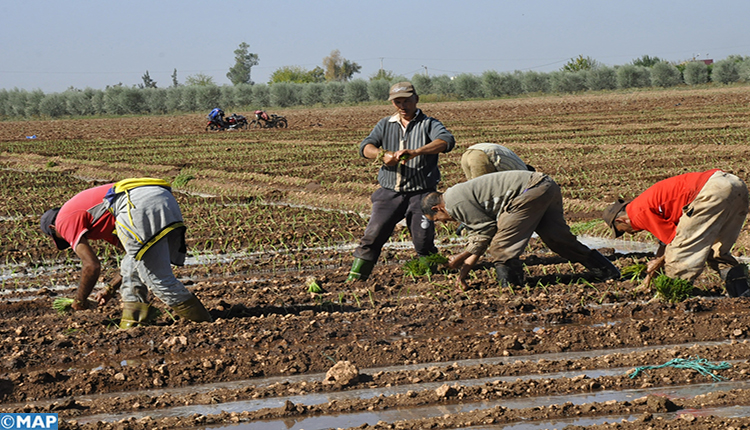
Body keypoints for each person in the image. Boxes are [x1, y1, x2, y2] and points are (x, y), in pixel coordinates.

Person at [40, 178, 212, 328]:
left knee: (157, 278)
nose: (69, 241)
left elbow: (91, 266)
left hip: (135, 202)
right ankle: (134, 321)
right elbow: (132, 257)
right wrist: (110, 289)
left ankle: (204, 324)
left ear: (53, 228)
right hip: (159, 196)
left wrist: (79, 301)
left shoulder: (63, 220)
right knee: (132, 264)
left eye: (62, 238)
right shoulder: (100, 219)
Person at [421, 171, 620, 289]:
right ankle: (607, 271)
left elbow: (485, 232)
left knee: (501, 246)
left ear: (437, 208)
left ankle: (511, 287)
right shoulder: (456, 197)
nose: (445, 222)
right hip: (545, 185)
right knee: (557, 239)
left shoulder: (454, 202)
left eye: (439, 219)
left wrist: (458, 259)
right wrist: (462, 273)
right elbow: (479, 240)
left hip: (529, 191)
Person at [346, 82, 456, 282]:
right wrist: (381, 155)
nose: (402, 106)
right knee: (372, 236)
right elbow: (365, 147)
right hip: (390, 193)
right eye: (398, 102)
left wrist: (416, 152)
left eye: (407, 101)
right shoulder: (385, 124)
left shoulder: (429, 124)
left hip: (422, 194)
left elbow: (446, 141)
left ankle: (429, 278)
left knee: (423, 241)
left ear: (416, 100)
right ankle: (355, 279)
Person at [602, 169, 749, 296]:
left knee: (679, 256)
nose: (631, 234)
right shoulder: (644, 205)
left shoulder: (637, 214)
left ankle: (676, 299)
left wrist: (658, 262)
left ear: (622, 221)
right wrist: (649, 279)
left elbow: (675, 243)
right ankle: (741, 294)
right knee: (717, 251)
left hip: (711, 191)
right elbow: (665, 243)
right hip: (734, 184)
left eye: (623, 231)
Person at [461, 142, 534, 180]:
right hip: (482, 155)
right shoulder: (523, 173)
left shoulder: (518, 164)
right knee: (482, 190)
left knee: (471, 188)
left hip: (467, 153)